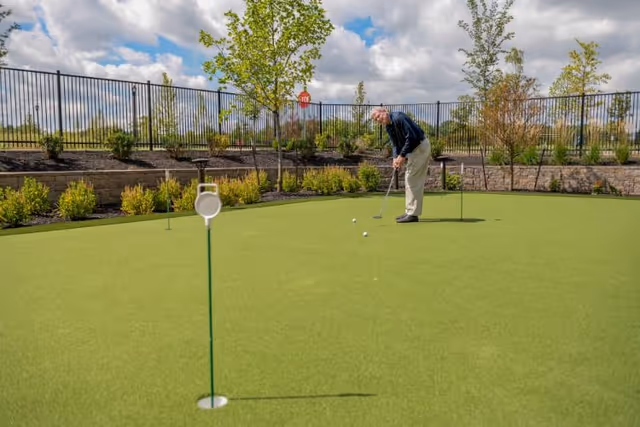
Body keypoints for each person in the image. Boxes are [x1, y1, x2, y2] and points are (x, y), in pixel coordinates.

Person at [370, 107, 431, 223]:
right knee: (410, 179)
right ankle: (410, 211)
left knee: (412, 179)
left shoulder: (399, 117)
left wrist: (402, 156)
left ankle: (413, 214)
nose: (378, 120)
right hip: (414, 150)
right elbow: (395, 144)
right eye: (375, 120)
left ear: (384, 111)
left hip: (420, 147)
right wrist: (395, 158)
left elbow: (411, 137)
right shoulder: (389, 126)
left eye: (378, 116)